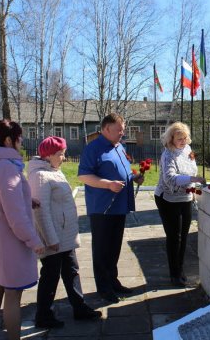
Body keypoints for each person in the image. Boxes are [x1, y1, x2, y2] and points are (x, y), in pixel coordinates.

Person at [0, 119, 45, 340]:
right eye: (19, 139)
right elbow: (15, 216)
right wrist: (34, 241)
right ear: (9, 141)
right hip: (11, 242)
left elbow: (2, 200)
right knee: (13, 294)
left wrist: (28, 200)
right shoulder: (7, 167)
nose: (21, 143)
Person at [28, 136, 101, 328]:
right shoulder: (40, 176)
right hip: (53, 237)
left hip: (64, 234)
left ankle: (79, 307)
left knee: (72, 271)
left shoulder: (53, 171)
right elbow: (41, 212)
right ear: (48, 155)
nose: (64, 158)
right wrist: (50, 240)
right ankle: (43, 315)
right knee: (50, 276)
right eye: (60, 154)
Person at [78, 113, 144, 303]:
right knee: (102, 249)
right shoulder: (93, 148)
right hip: (102, 207)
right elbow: (84, 176)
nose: (122, 133)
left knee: (114, 247)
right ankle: (103, 288)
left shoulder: (119, 147)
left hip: (120, 205)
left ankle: (113, 281)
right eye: (119, 130)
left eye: (123, 129)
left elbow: (123, 171)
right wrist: (107, 184)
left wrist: (134, 177)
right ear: (106, 129)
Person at [154, 122, 206, 286]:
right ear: (171, 138)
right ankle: (174, 274)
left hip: (186, 198)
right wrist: (192, 180)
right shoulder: (167, 154)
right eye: (179, 138)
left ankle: (180, 270)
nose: (183, 141)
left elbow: (193, 169)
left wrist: (193, 184)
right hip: (168, 199)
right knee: (174, 237)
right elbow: (170, 179)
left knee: (183, 237)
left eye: (185, 138)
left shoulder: (188, 150)